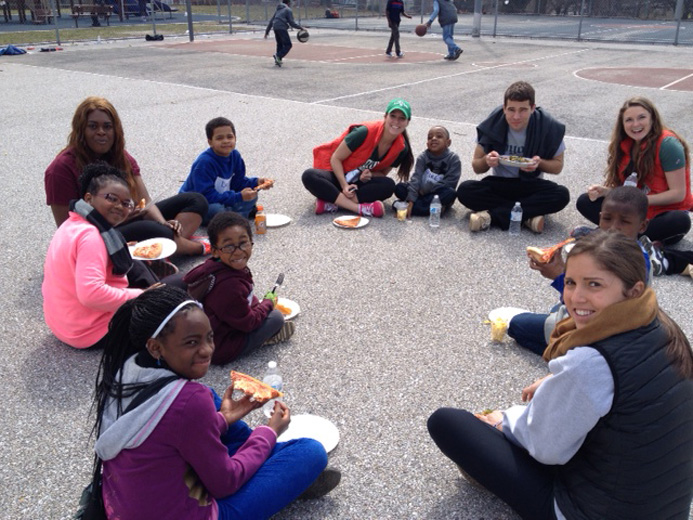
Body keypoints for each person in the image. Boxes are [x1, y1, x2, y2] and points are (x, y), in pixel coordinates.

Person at [429, 231, 693, 520]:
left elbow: (546, 448)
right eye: (570, 282)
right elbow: (624, 388)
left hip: (591, 511)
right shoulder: (662, 325)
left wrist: (504, 421)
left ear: (633, 289)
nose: (576, 297)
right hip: (665, 507)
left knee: (448, 422)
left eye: (594, 284)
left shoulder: (590, 363)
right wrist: (558, 383)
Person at [91, 285, 341, 519]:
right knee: (310, 452)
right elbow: (224, 483)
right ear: (156, 347)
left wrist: (221, 420)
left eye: (209, 337)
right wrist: (269, 432)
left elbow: (166, 431)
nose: (207, 350)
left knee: (210, 399)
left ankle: (277, 475)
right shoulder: (188, 402)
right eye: (192, 342)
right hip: (193, 510)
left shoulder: (124, 372)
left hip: (126, 506)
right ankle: (287, 481)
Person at [45, 96, 209, 256]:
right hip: (95, 235)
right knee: (153, 230)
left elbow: (146, 201)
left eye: (107, 127)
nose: (101, 132)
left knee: (196, 200)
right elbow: (67, 230)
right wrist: (120, 219)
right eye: (93, 126)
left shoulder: (120, 156)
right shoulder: (61, 169)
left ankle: (165, 247)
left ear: (115, 130)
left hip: (127, 218)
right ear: (81, 130)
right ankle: (196, 247)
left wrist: (164, 223)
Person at [508, 186, 655, 355]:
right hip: (613, 328)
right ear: (599, 218)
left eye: (625, 222)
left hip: (601, 331)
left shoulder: (623, 263)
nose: (614, 227)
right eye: (607, 219)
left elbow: (599, 312)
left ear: (643, 225)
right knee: (555, 311)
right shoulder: (632, 252)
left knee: (515, 325)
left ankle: (568, 353)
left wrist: (558, 275)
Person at [42, 163, 145, 349]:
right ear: (89, 198)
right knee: (173, 292)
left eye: (125, 203)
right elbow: (91, 294)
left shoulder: (72, 222)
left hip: (62, 323)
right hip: (89, 331)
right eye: (111, 198)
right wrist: (142, 295)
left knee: (137, 264)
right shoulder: (91, 237)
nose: (118, 206)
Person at [576, 97, 693, 245]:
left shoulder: (668, 145)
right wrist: (608, 192)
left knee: (679, 221)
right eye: (629, 120)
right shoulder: (624, 144)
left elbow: (678, 194)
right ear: (622, 124)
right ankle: (633, 240)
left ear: (652, 118)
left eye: (641, 117)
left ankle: (609, 235)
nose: (635, 124)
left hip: (662, 211)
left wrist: (638, 201)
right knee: (585, 201)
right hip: (633, 211)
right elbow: (628, 188)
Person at [183, 212, 294, 365]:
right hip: (220, 348)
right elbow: (249, 323)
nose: (238, 251)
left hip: (214, 331)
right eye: (228, 246)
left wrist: (257, 306)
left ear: (251, 241)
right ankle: (262, 340)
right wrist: (268, 303)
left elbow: (241, 299)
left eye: (243, 243)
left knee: (262, 310)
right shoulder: (229, 286)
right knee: (276, 318)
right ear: (215, 250)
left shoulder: (215, 266)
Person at [457, 81, 569, 233]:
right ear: (504, 108)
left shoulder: (547, 126)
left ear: (533, 108)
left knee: (561, 195)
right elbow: (477, 166)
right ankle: (527, 216)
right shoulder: (492, 124)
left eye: (523, 110)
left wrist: (539, 163)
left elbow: (557, 166)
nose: (516, 116)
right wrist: (487, 160)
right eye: (511, 110)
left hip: (531, 183)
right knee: (465, 190)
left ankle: (491, 216)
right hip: (500, 183)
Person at [302, 98, 414, 218]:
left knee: (389, 185)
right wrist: (344, 185)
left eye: (402, 118)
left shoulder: (402, 148)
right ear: (385, 116)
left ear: (407, 122)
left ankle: (334, 203)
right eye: (393, 116)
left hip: (357, 183)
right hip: (337, 176)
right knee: (309, 176)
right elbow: (336, 158)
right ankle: (360, 208)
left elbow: (382, 174)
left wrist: (370, 175)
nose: (396, 121)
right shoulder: (364, 132)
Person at [179, 117, 273, 223]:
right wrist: (238, 197)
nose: (226, 141)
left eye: (229, 137)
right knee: (216, 210)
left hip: (221, 196)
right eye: (219, 138)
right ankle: (233, 216)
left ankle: (231, 216)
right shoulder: (204, 163)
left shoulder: (235, 155)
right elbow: (205, 196)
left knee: (252, 196)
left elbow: (238, 182)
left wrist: (256, 182)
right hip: (198, 203)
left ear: (235, 138)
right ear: (210, 142)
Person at [393, 125, 460, 217]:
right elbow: (416, 178)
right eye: (430, 137)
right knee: (399, 188)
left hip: (436, 194)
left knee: (450, 193)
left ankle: (408, 207)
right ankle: (433, 209)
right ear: (427, 143)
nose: (434, 139)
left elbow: (450, 182)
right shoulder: (423, 157)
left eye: (439, 136)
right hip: (420, 193)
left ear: (448, 142)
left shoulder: (453, 159)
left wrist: (428, 190)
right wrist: (411, 199)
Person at [264, 0, 304, 67]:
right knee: (288, 45)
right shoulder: (288, 10)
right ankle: (278, 55)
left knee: (280, 44)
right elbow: (291, 23)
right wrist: (300, 28)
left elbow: (271, 21)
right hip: (281, 27)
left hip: (275, 27)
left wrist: (267, 32)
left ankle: (278, 59)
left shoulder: (278, 10)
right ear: (288, 3)